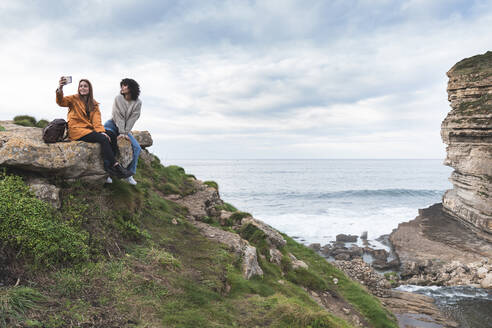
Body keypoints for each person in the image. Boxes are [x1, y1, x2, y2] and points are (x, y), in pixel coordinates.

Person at [56, 77, 131, 179]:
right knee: (103, 139)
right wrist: (60, 88)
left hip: (88, 129)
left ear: (89, 89)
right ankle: (116, 166)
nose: (83, 88)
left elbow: (96, 121)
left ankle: (108, 165)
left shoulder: (94, 104)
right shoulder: (73, 99)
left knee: (111, 134)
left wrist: (101, 131)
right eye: (81, 86)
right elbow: (60, 101)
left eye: (85, 86)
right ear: (78, 88)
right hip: (76, 130)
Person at [104, 78, 142, 185]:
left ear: (131, 88)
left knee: (137, 148)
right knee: (110, 143)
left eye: (125, 85)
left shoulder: (138, 102)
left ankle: (129, 175)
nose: (122, 87)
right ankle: (107, 174)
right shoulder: (118, 99)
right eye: (122, 85)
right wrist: (121, 132)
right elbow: (118, 116)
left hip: (125, 129)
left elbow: (133, 118)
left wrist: (125, 133)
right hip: (112, 125)